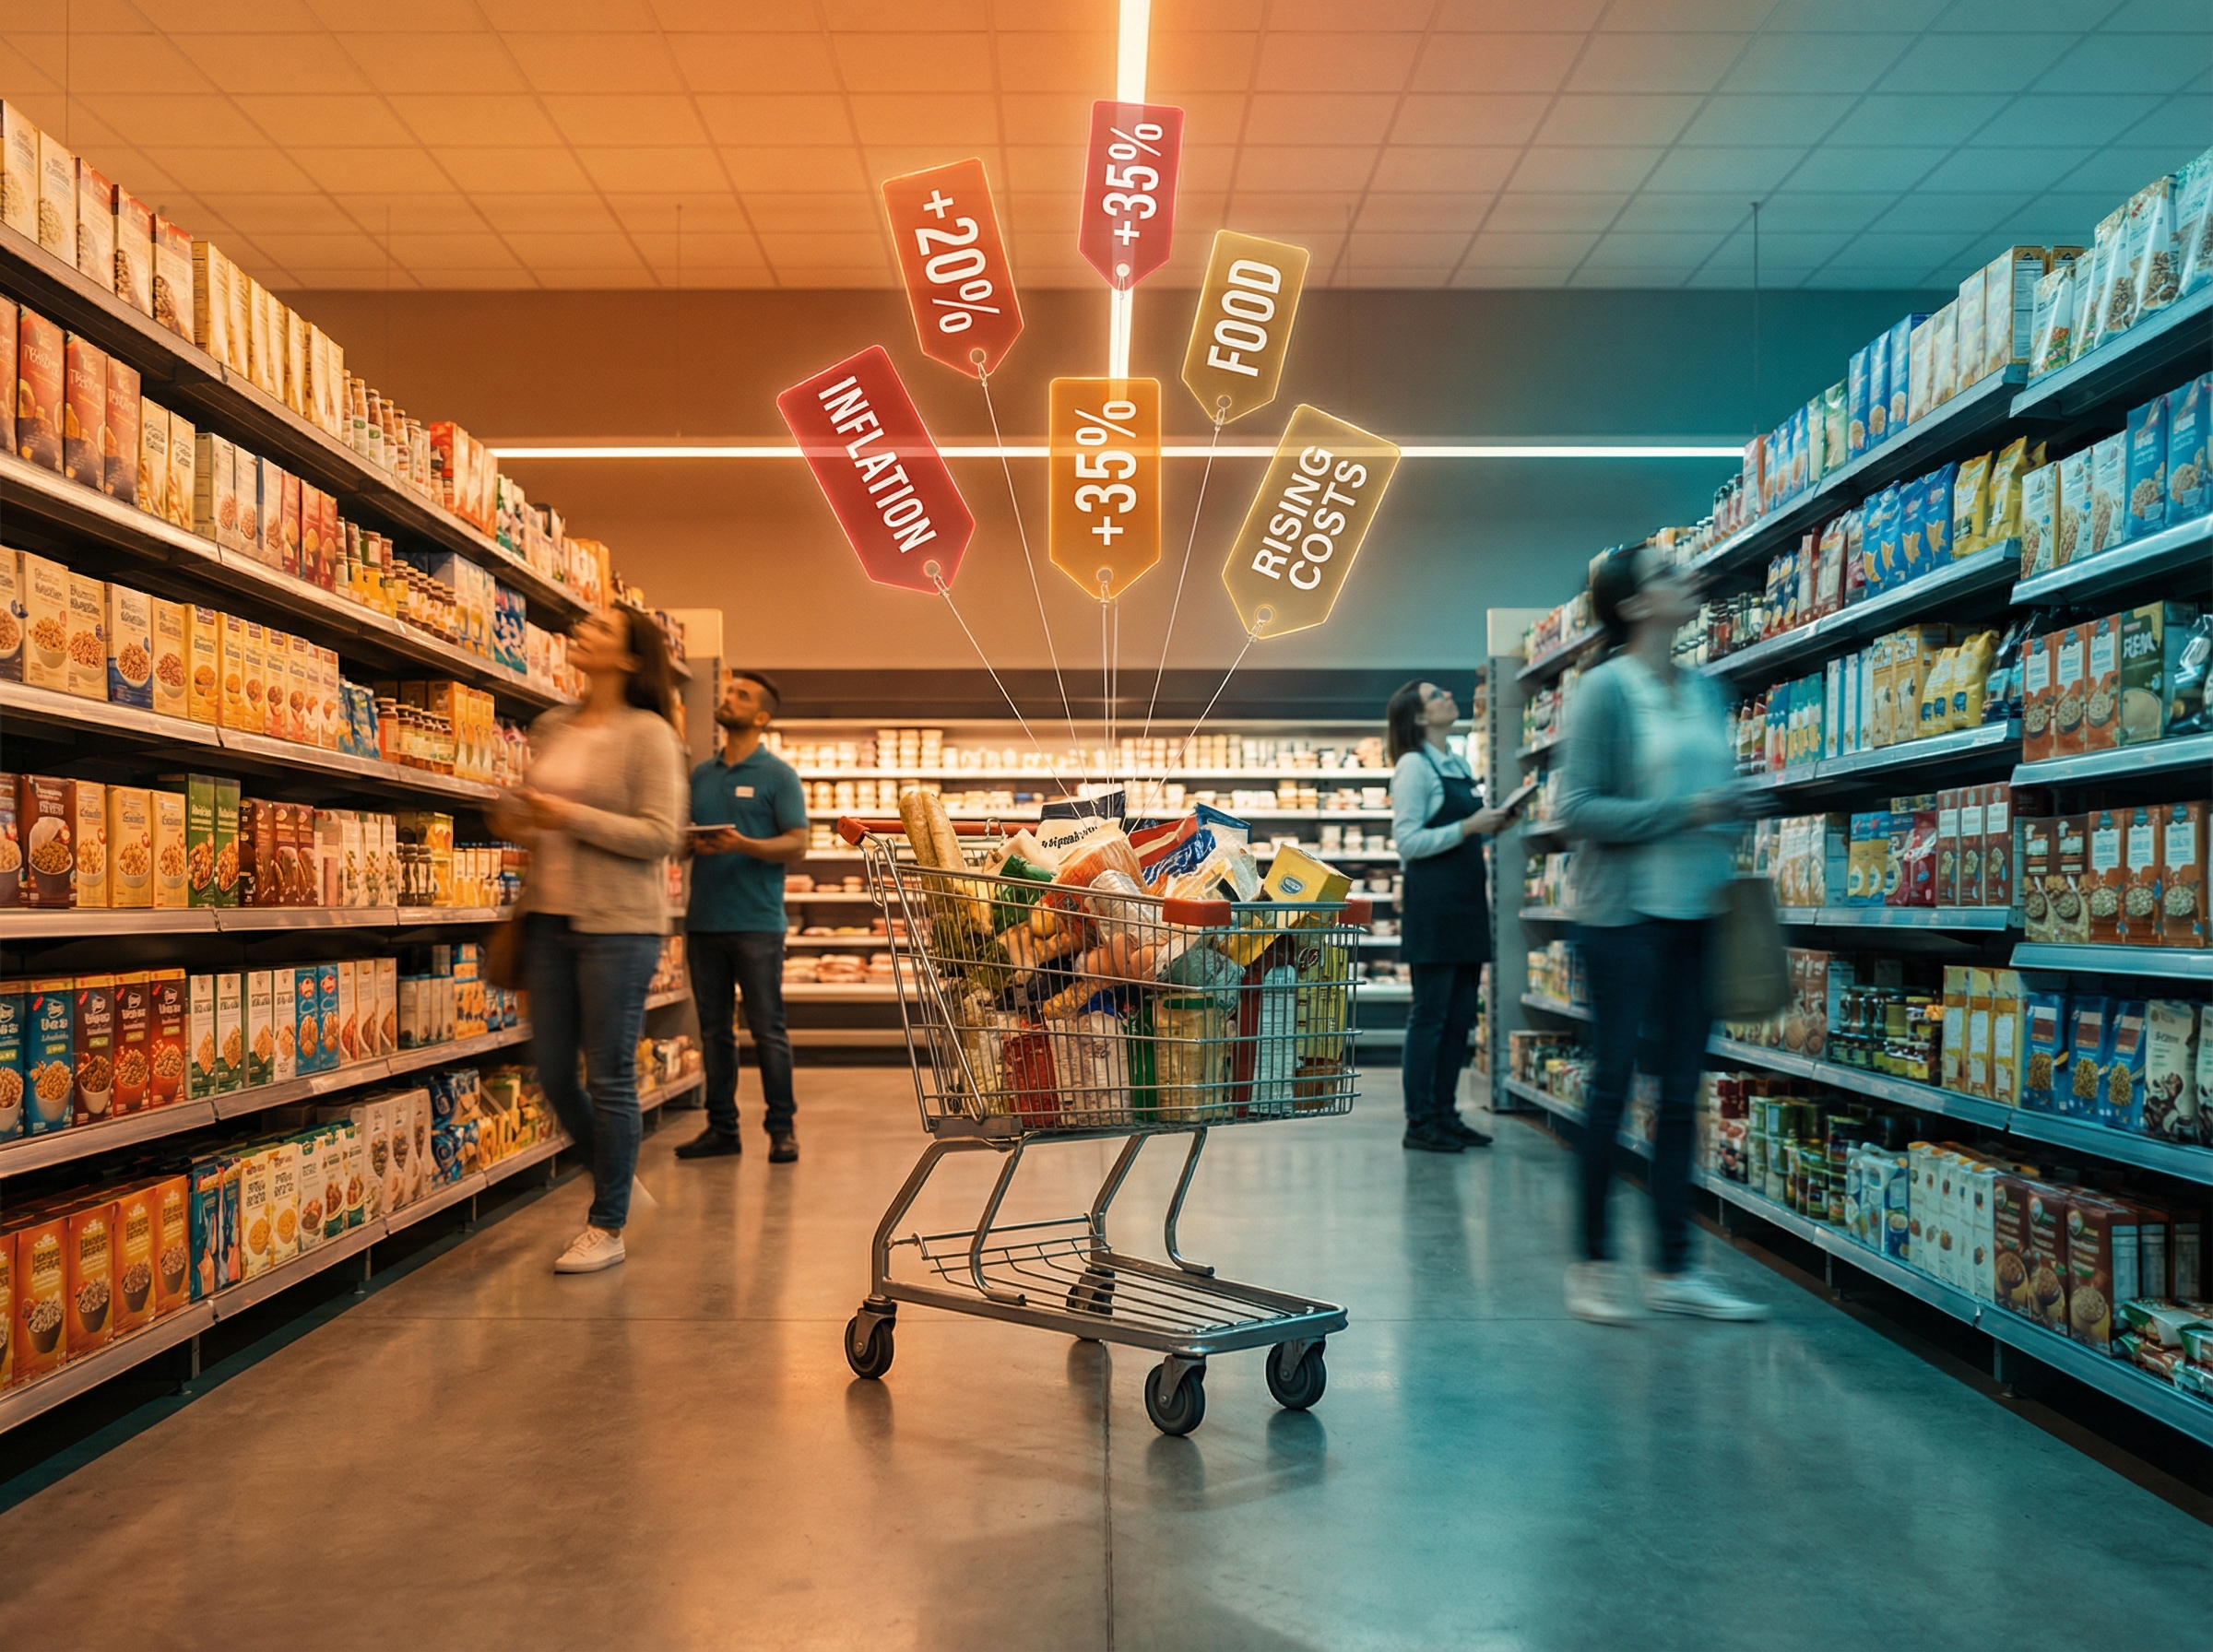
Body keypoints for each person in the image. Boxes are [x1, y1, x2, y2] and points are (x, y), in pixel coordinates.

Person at [1555, 544, 1764, 1325]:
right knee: (1612, 1087)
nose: (1690, 578)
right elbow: (1578, 809)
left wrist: (1735, 808)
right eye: (1669, 573)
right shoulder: (1605, 691)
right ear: (1635, 605)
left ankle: (1674, 1270)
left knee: (1681, 1095)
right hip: (1622, 922)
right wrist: (1688, 812)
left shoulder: (1707, 689)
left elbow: (1714, 792)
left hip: (1699, 917)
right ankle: (1592, 1263)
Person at [491, 606, 689, 1276]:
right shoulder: (553, 725)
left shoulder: (650, 734)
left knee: (608, 1075)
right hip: (548, 919)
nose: (584, 631)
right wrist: (514, 814)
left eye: (601, 629)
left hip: (619, 925)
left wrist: (567, 815)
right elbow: (535, 817)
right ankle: (616, 1172)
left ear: (630, 658)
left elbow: (660, 835)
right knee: (551, 1071)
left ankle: (607, 1225)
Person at [675, 668, 810, 1164]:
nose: (729, 698)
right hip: (704, 920)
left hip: (757, 922)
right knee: (714, 1032)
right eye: (729, 691)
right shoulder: (701, 775)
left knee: (767, 1029)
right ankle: (721, 1128)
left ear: (761, 717)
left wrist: (742, 844)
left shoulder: (779, 776)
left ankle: (782, 1129)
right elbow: (681, 841)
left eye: (742, 696)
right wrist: (687, 844)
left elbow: (797, 843)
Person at [1389, 679, 1515, 1154]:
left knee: (1461, 1016)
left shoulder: (1456, 764)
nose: (1447, 696)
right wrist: (1468, 827)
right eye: (1435, 695)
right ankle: (1419, 1120)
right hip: (1434, 908)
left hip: (1465, 905)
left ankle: (1446, 1113)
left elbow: (1465, 833)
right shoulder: (1413, 767)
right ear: (1419, 717)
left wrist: (1495, 825)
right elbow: (1408, 842)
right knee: (1431, 1016)